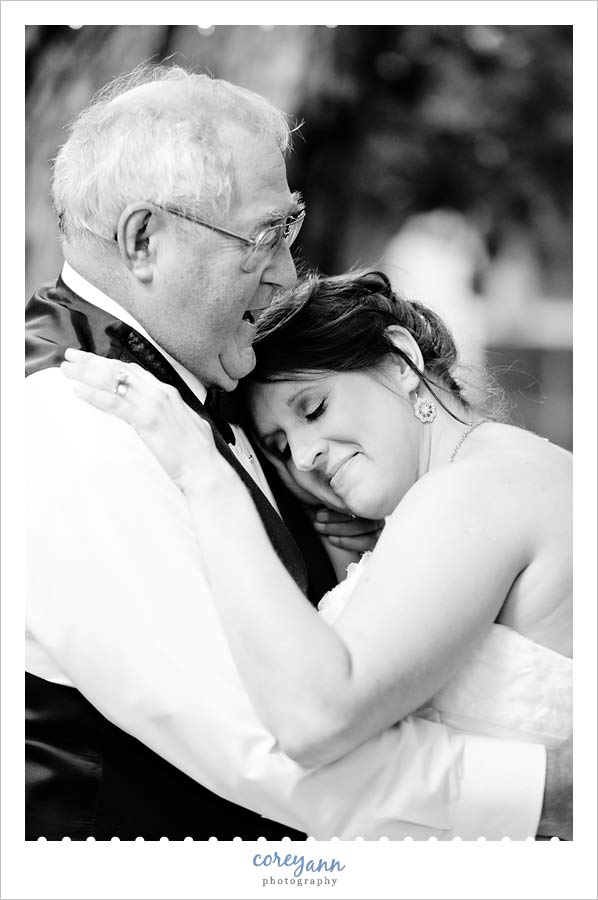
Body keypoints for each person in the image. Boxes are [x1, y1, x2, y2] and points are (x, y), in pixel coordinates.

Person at [26, 64, 571, 841]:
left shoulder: (195, 394)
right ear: (145, 240)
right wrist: (550, 793)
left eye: (290, 228)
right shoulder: (77, 414)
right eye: (263, 237)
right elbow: (271, 740)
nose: (285, 271)